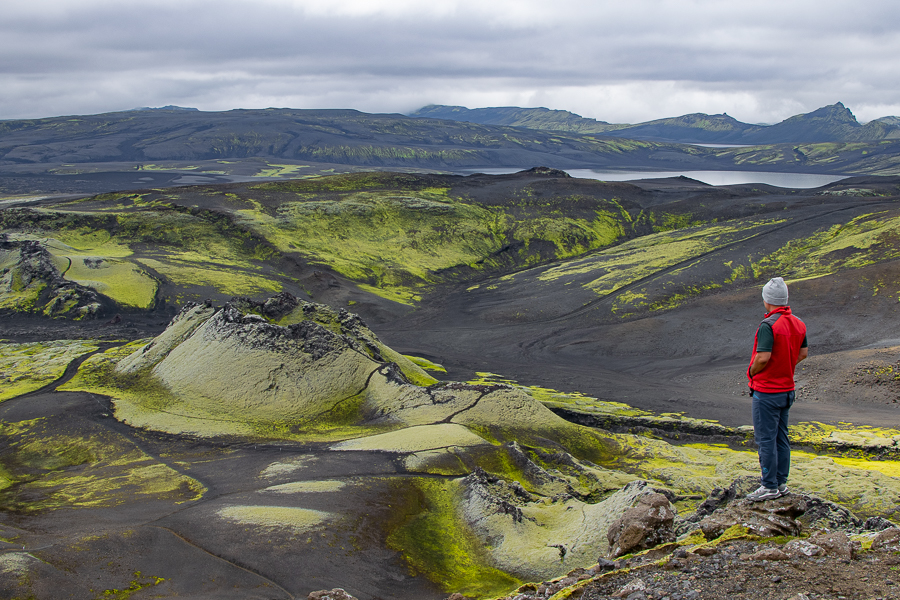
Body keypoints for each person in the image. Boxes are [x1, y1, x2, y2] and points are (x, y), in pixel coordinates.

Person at [745, 277, 808, 501]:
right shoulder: (799, 323)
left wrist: (752, 372)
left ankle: (769, 486)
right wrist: (786, 365)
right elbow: (803, 353)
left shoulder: (768, 325)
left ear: (767, 300)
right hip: (787, 390)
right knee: (782, 438)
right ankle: (781, 483)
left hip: (767, 391)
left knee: (765, 439)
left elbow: (763, 357)